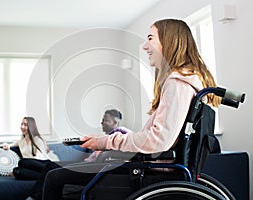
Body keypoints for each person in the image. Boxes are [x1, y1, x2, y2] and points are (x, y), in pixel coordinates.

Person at [42, 18, 221, 200]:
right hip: (156, 169)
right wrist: (103, 141)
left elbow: (158, 141)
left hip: (153, 174)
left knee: (55, 178)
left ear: (169, 40)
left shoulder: (177, 84)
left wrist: (104, 143)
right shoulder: (186, 83)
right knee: (58, 172)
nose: (144, 46)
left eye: (150, 38)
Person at [26, 109, 130, 200]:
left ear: (115, 122)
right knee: (48, 167)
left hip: (95, 166)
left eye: (105, 120)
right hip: (88, 163)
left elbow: (120, 155)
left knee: (51, 168)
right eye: (102, 120)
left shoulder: (121, 133)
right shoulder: (107, 136)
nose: (101, 123)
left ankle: (33, 195)